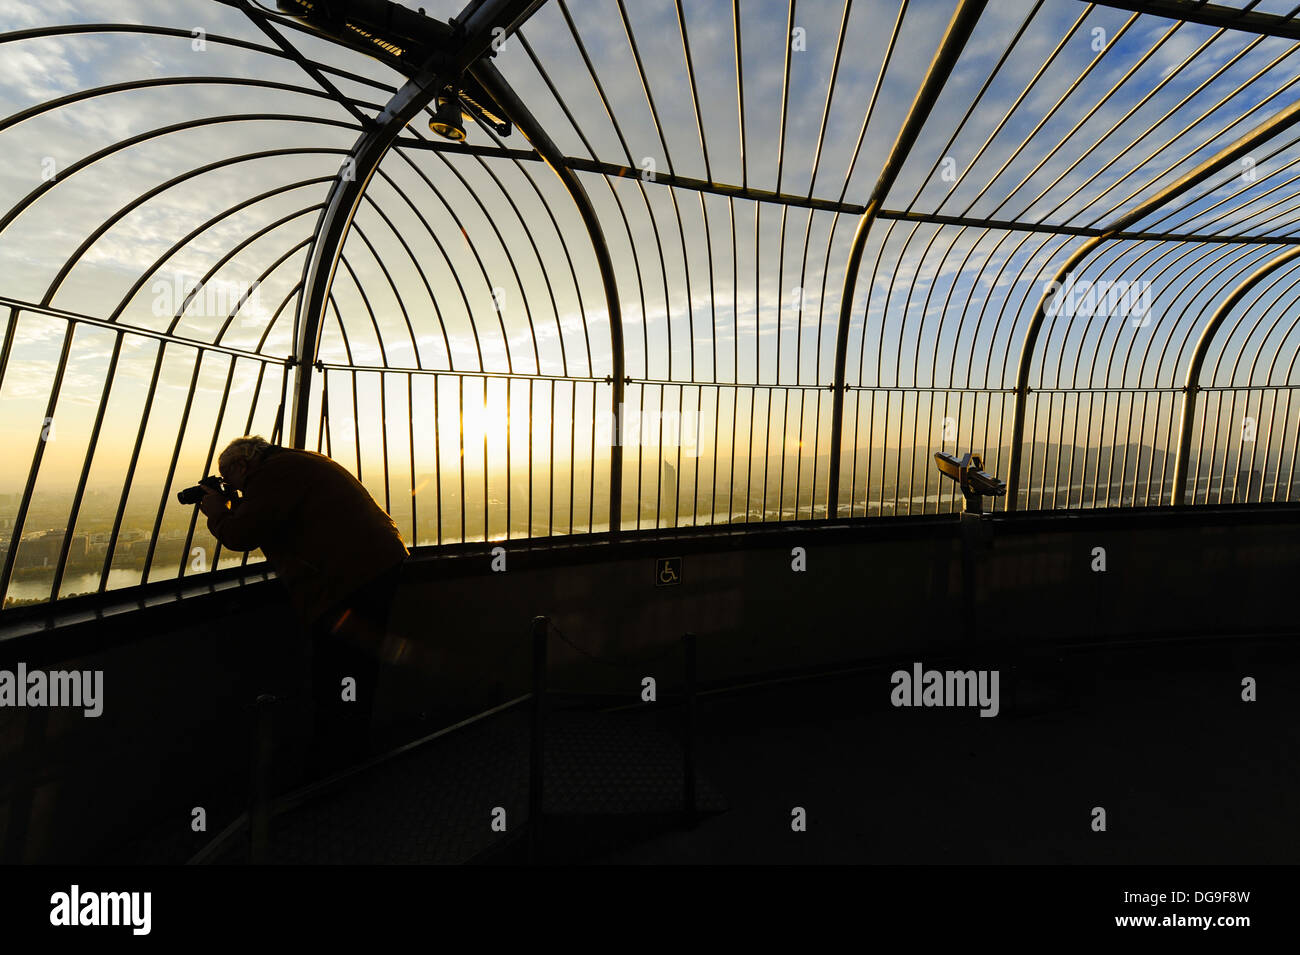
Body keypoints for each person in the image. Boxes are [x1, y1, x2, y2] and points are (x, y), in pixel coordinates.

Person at [198, 435, 409, 776]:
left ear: (241, 465)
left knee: (337, 668)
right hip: (372, 565)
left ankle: (335, 761)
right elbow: (275, 514)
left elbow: (243, 534)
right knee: (355, 667)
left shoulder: (274, 474)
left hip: (349, 577)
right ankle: (350, 753)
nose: (230, 486)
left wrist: (218, 513)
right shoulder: (296, 463)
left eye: (228, 478)